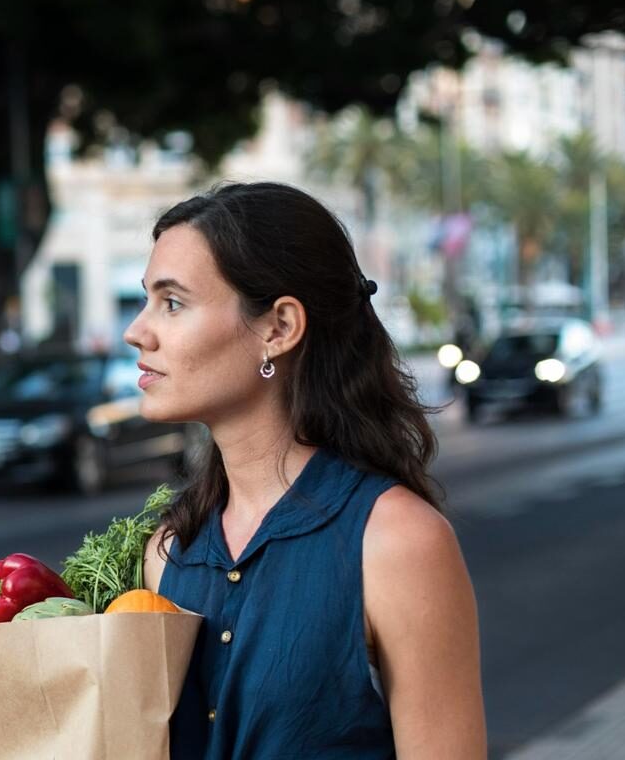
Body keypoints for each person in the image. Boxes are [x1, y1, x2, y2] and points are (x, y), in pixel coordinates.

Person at [124, 183, 487, 759]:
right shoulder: (166, 551)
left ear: (279, 328)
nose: (136, 331)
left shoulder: (398, 542)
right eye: (146, 300)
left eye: (172, 303)